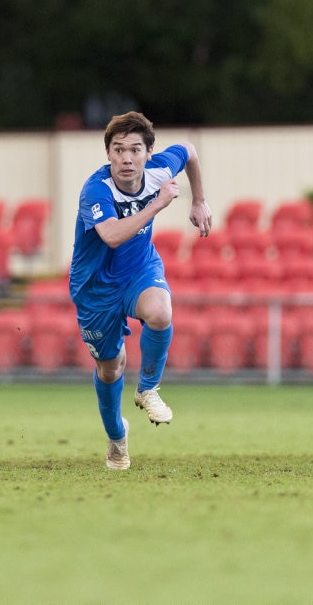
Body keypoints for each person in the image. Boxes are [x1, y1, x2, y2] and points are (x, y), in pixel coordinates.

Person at [69, 111, 212, 470]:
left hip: (138, 270)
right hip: (95, 288)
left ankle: (148, 388)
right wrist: (158, 204)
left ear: (149, 152)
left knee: (161, 312)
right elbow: (113, 236)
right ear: (108, 154)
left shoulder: (162, 168)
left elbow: (190, 151)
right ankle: (117, 438)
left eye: (135, 149)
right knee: (110, 367)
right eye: (118, 150)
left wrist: (198, 200)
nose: (127, 158)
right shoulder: (96, 190)